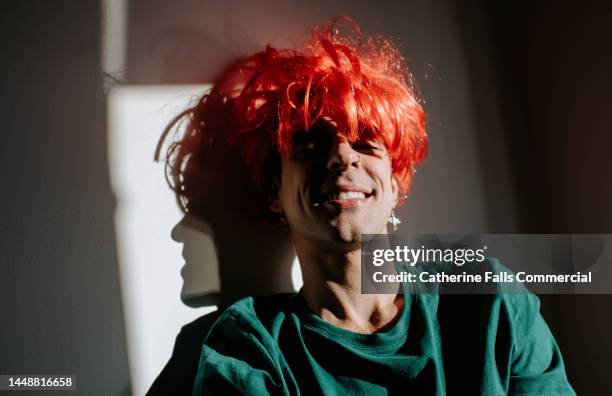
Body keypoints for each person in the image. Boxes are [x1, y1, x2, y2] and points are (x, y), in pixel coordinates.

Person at [156, 17, 575, 395]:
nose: (342, 158)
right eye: (309, 144)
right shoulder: (249, 345)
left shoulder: (489, 300)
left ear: (395, 183)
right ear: (274, 192)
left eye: (364, 142)